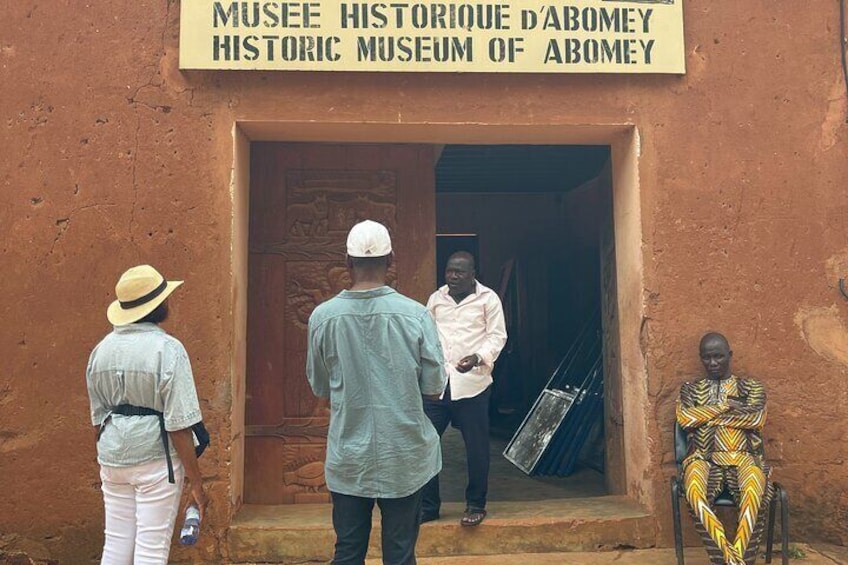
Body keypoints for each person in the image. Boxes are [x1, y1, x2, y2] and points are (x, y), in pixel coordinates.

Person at [306, 220, 446, 565]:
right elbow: (434, 388)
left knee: (348, 550)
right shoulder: (416, 316)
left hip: (349, 455)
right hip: (405, 454)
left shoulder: (323, 317)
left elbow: (320, 385)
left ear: (347, 262)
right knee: (400, 553)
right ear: (392, 259)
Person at [86, 264, 207, 565]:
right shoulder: (168, 349)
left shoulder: (101, 350)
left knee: (115, 545)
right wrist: (197, 483)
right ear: (158, 306)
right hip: (155, 459)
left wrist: (111, 453)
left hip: (112, 458)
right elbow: (178, 426)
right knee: (151, 550)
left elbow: (98, 418)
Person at [422, 251, 507, 527]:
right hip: (438, 385)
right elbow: (426, 335)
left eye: (459, 272)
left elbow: (497, 336)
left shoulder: (488, 299)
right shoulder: (437, 299)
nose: (453, 277)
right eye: (449, 271)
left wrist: (478, 357)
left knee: (477, 448)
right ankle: (429, 506)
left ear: (473, 274)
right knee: (426, 444)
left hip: (473, 385)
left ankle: (475, 504)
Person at [676, 332, 769, 565]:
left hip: (746, 458)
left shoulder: (751, 387)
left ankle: (732, 559)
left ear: (730, 355)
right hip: (703, 458)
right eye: (707, 358)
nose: (713, 363)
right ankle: (734, 560)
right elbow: (686, 419)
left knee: (754, 492)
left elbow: (756, 419)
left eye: (718, 356)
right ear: (701, 358)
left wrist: (706, 417)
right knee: (694, 493)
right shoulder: (690, 389)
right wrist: (726, 406)